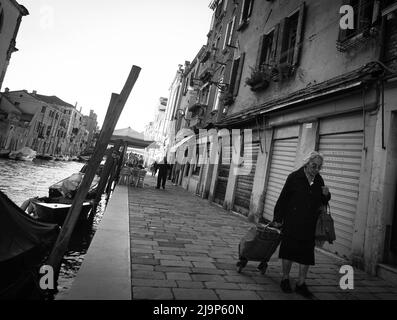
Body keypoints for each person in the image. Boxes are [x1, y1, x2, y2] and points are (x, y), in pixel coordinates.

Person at [272, 151, 331, 298]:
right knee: (289, 250)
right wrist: (278, 218)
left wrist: (326, 195)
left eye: (319, 167)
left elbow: (323, 202)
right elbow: (283, 198)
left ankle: (301, 283)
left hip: (310, 223)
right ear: (307, 163)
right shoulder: (294, 177)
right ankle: (285, 279)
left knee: (306, 254)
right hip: (292, 220)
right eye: (313, 165)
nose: (316, 169)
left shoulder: (319, 180)